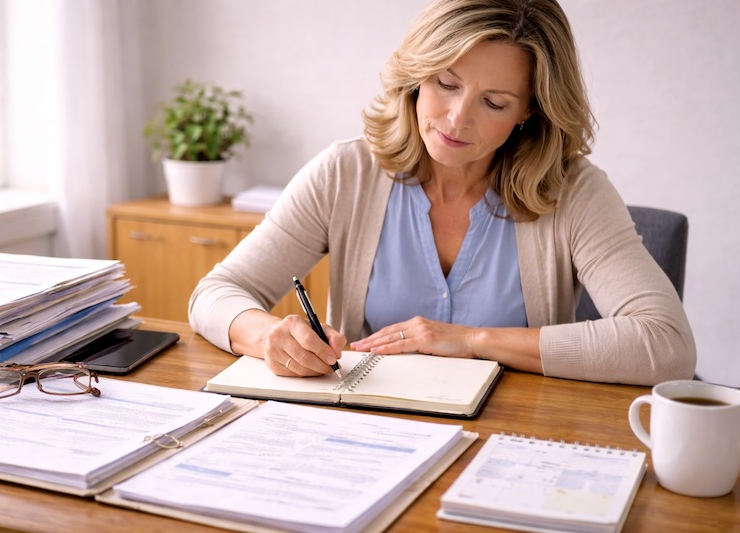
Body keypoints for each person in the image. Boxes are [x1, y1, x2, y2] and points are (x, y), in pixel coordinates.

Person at [189, 0, 696, 386]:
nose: (457, 120)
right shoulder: (346, 173)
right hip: (367, 430)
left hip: (510, 436)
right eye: (445, 83)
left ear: (529, 113)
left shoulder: (574, 193)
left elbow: (665, 343)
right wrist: (265, 335)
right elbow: (214, 294)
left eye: (493, 102)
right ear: (415, 76)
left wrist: (471, 341)